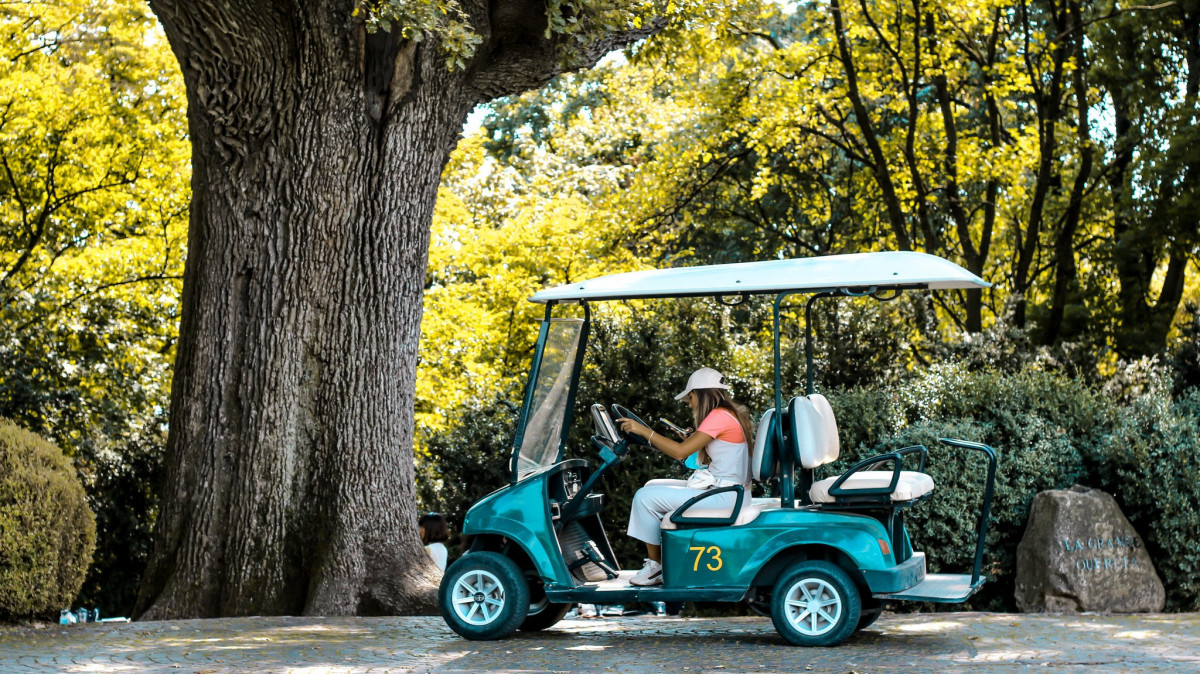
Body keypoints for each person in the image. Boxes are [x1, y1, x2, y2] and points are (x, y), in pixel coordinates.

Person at [617, 367, 755, 586]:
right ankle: (659, 563)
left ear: (701, 394)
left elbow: (680, 452)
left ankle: (656, 567)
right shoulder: (730, 414)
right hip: (729, 492)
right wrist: (692, 438)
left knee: (644, 497)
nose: (690, 404)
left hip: (725, 496)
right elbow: (699, 459)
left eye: (690, 398)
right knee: (651, 485)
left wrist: (645, 432)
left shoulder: (718, 416)